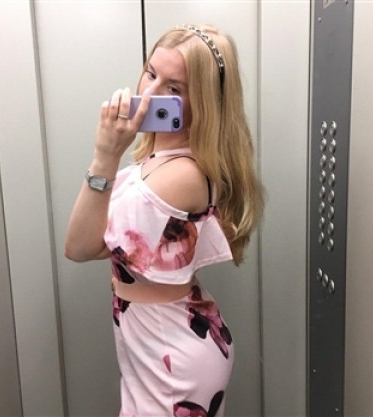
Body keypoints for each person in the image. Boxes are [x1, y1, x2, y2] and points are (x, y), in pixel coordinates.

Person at [65, 24, 263, 417]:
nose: (151, 92)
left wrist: (105, 154)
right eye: (150, 73)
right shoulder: (159, 159)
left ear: (203, 102)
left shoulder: (181, 176)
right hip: (159, 340)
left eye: (173, 88)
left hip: (171, 357)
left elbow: (80, 246)